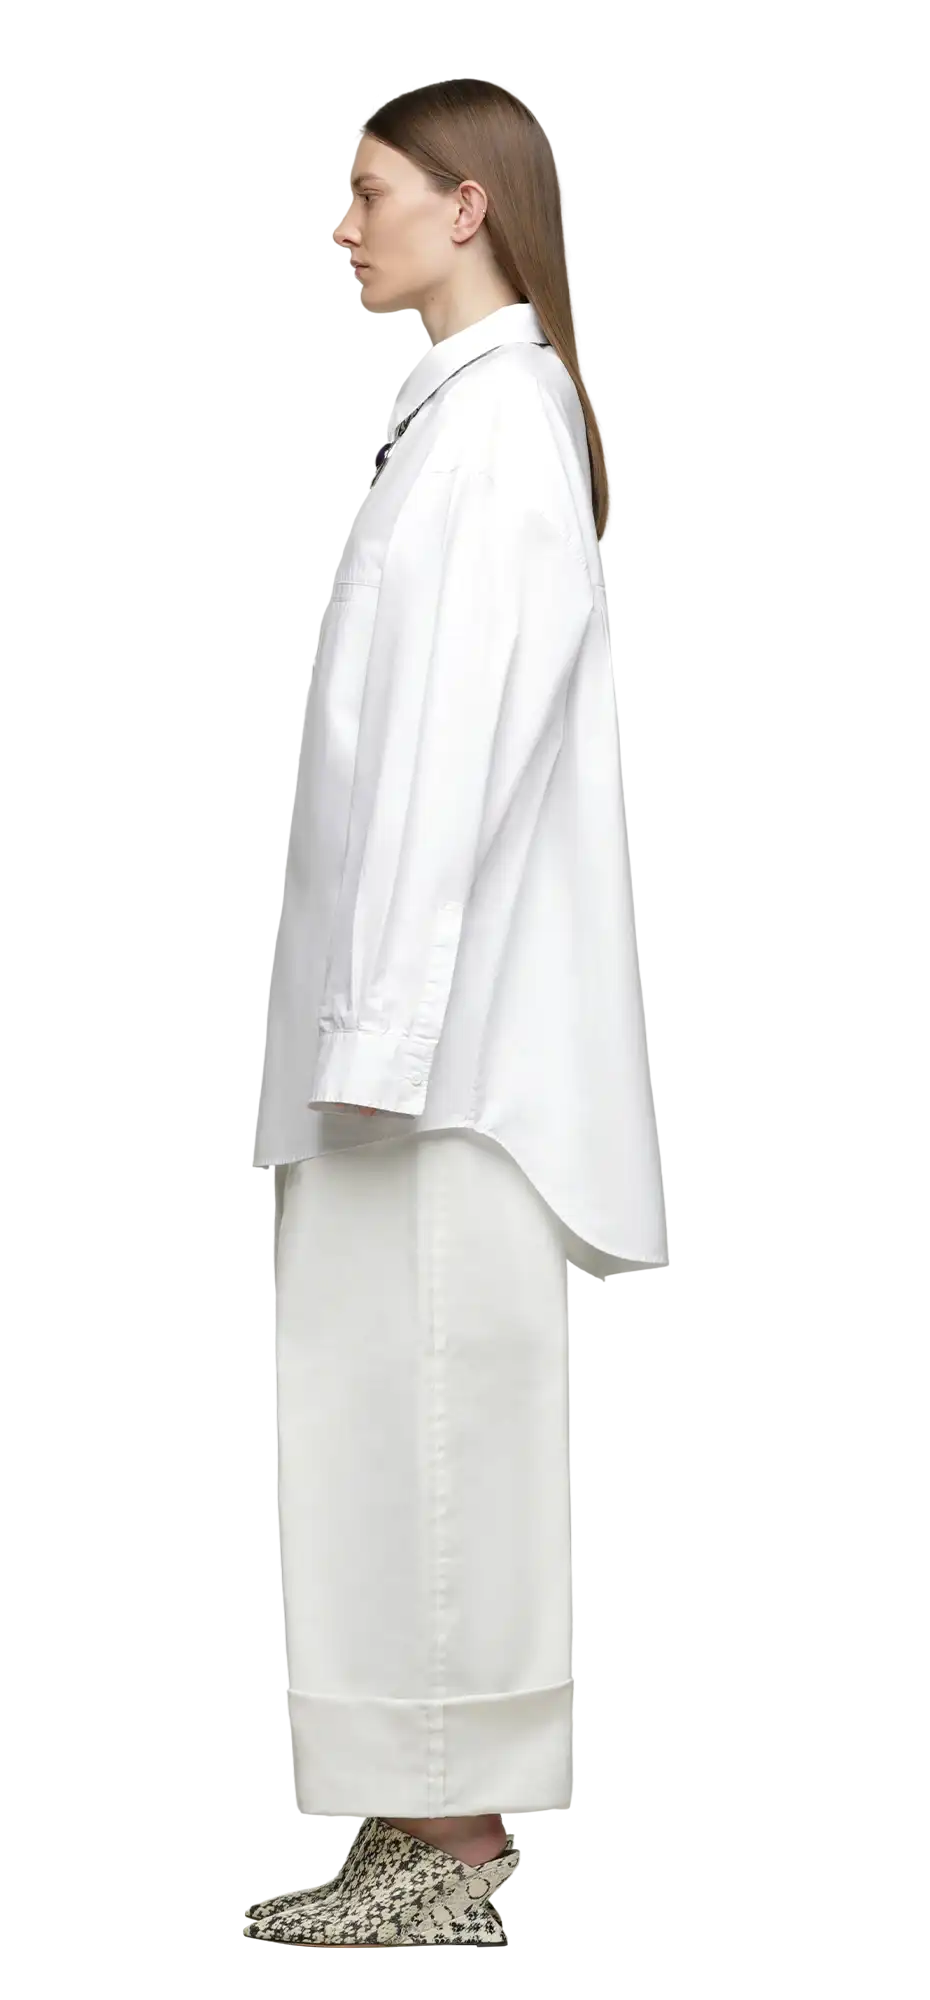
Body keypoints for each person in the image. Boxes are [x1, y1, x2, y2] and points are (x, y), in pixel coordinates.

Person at [242, 78, 669, 1950]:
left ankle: (451, 1850)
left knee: (423, 1432)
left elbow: (451, 764)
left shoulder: (496, 436)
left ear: (466, 204)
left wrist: (379, 1039)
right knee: (378, 1429)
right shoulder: (456, 426)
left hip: (435, 1066)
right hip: (405, 1049)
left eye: (366, 192)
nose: (341, 228)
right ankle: (411, 1823)